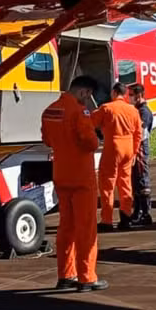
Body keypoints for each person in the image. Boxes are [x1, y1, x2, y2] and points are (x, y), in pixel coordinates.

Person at [40, 75, 108, 292]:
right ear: (84, 92)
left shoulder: (50, 110)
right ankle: (87, 277)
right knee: (86, 229)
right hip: (82, 177)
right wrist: (97, 140)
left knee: (66, 228)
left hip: (61, 175)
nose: (88, 100)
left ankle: (65, 275)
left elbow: (47, 140)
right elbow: (89, 142)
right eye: (88, 96)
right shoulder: (79, 112)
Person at [91, 82, 143, 231]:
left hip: (113, 147)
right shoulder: (133, 110)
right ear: (125, 94)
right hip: (128, 147)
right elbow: (138, 134)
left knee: (107, 184)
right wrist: (134, 151)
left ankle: (107, 220)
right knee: (125, 184)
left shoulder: (107, 108)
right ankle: (126, 217)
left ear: (113, 93)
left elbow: (91, 122)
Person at [128, 83, 154, 226]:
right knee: (136, 181)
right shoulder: (138, 110)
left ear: (138, 96)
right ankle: (137, 211)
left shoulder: (144, 112)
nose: (129, 98)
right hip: (137, 147)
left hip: (140, 148)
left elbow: (140, 131)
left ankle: (145, 213)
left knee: (142, 179)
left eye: (131, 95)